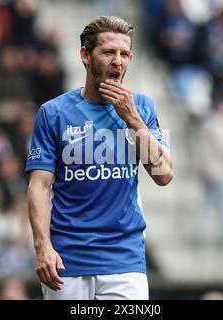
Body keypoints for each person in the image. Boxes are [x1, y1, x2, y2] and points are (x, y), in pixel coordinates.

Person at [25, 16, 173, 300]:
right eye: (108, 52)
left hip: (125, 259)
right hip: (67, 259)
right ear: (85, 55)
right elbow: (39, 186)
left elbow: (164, 174)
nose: (118, 61)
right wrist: (42, 247)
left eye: (125, 54)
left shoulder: (142, 107)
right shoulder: (53, 112)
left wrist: (132, 119)